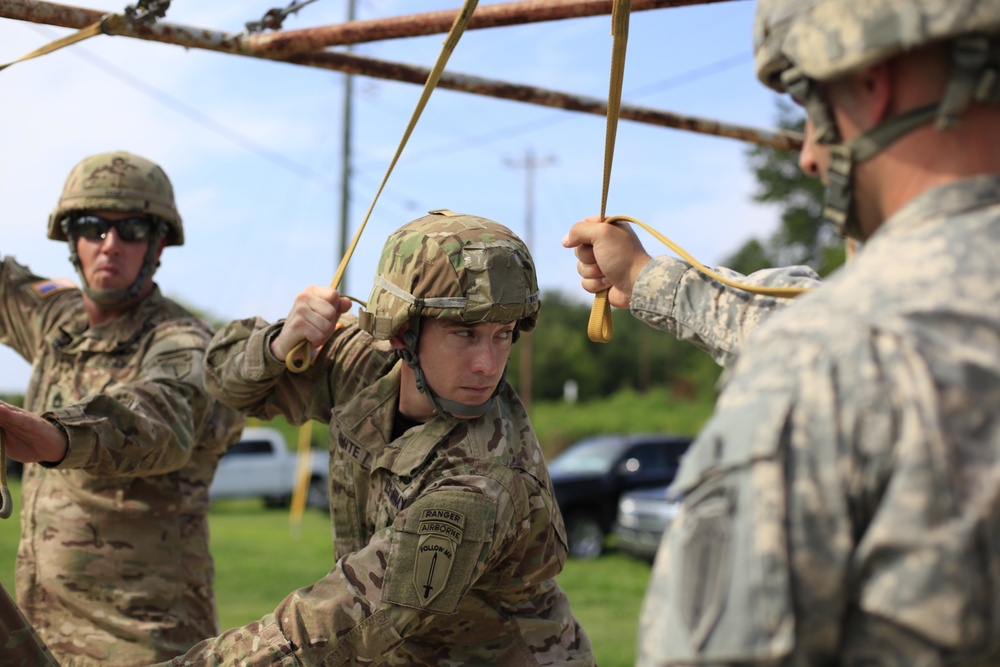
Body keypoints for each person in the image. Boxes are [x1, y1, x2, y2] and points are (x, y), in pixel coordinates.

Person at [570, 0, 1000, 662]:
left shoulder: (825, 365)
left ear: (867, 82)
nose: (806, 155)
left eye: (808, 110)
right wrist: (655, 281)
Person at [165, 209, 595, 665]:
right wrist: (280, 342)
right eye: (465, 333)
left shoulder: (482, 482)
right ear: (401, 331)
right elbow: (223, 379)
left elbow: (342, 623)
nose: (487, 364)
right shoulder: (362, 365)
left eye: (503, 335)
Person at [0, 150, 244, 665]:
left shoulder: (182, 340)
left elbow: (161, 420)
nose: (110, 245)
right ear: (73, 241)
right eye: (92, 227)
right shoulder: (58, 320)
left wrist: (57, 435)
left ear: (157, 244)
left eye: (130, 229)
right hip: (40, 636)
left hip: (142, 642)